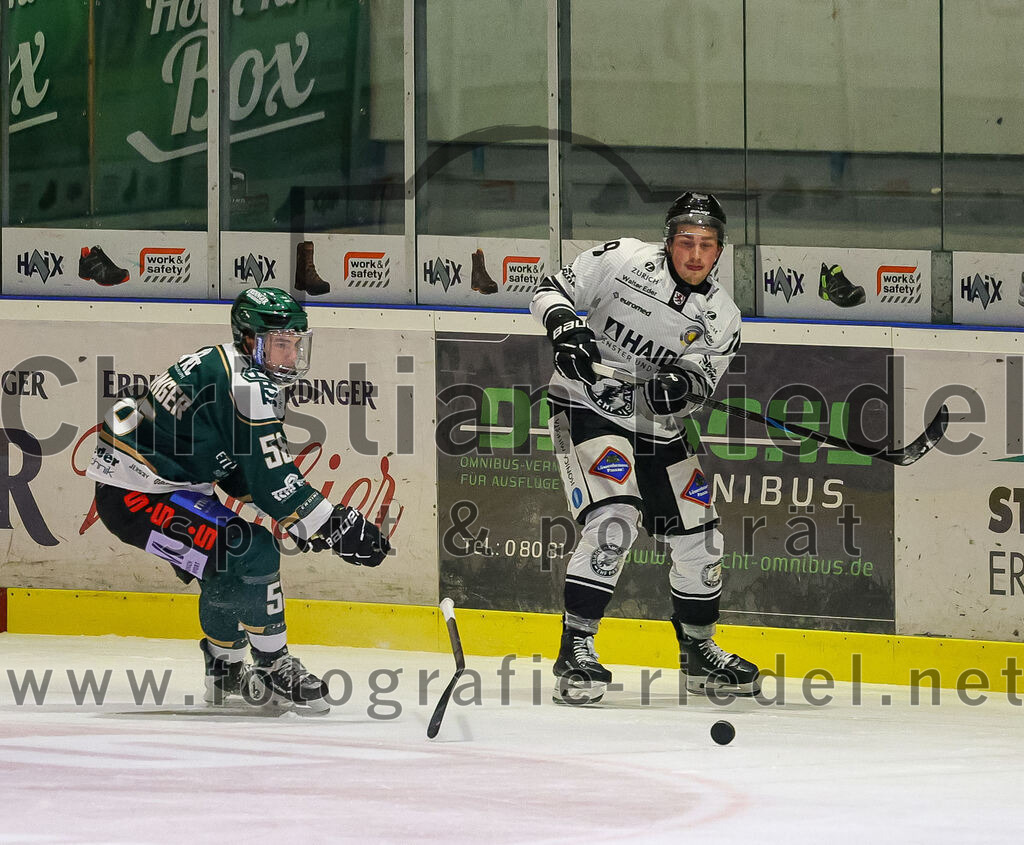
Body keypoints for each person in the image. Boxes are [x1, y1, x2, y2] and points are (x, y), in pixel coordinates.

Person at [85, 287, 390, 714]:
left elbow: (237, 470)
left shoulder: (226, 363)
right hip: (136, 493)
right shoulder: (248, 386)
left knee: (224, 560)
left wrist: (306, 521)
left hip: (153, 484)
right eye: (279, 344)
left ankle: (225, 667)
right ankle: (273, 665)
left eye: (294, 343)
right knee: (252, 548)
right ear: (249, 338)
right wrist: (335, 525)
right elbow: (272, 480)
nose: (290, 355)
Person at [531, 191, 760, 704]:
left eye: (706, 244)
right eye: (686, 242)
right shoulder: (625, 260)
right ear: (669, 242)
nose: (695, 255)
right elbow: (550, 289)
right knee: (615, 516)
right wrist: (565, 327)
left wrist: (681, 388)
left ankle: (699, 650)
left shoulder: (723, 317)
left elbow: (699, 385)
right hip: (583, 407)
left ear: (720, 251)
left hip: (659, 429)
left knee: (701, 534)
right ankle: (577, 649)